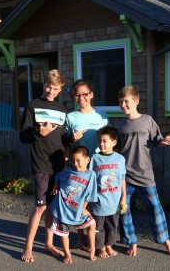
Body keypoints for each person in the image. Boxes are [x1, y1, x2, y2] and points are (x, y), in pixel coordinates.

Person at [115, 85, 170, 257]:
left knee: (155, 209)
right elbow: (116, 151)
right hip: (125, 176)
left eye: (126, 101)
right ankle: (131, 242)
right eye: (120, 102)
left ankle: (166, 241)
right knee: (125, 210)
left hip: (145, 175)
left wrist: (165, 141)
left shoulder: (148, 120)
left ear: (136, 101)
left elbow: (157, 140)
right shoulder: (119, 125)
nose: (123, 105)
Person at [20, 69, 67, 263]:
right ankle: (28, 247)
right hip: (40, 165)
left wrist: (72, 140)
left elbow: (62, 139)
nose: (51, 91)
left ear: (60, 89)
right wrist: (40, 133)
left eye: (55, 88)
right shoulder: (32, 106)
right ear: (44, 85)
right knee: (40, 207)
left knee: (52, 208)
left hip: (58, 166)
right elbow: (23, 136)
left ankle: (48, 244)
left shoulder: (62, 110)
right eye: (48, 86)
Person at [65, 79, 108, 248]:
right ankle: (81, 239)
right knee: (79, 203)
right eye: (77, 95)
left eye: (84, 94)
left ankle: (97, 241)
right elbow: (67, 144)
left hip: (98, 167)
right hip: (79, 168)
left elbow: (107, 140)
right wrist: (70, 141)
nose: (81, 97)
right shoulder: (70, 117)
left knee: (97, 204)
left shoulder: (102, 115)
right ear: (74, 97)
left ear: (91, 95)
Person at [49, 146, 97, 264]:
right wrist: (55, 186)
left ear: (87, 160)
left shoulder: (91, 175)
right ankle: (67, 253)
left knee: (92, 223)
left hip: (79, 208)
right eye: (73, 160)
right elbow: (57, 176)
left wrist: (84, 208)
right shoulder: (67, 171)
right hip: (63, 207)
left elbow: (90, 194)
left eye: (78, 160)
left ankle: (92, 248)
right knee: (64, 232)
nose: (75, 164)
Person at [88, 125, 126, 258]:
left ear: (114, 142)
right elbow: (90, 178)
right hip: (98, 202)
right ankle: (101, 247)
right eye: (100, 141)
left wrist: (124, 198)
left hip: (114, 202)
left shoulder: (120, 159)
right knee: (98, 227)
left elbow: (122, 179)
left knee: (113, 226)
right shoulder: (94, 158)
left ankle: (109, 244)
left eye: (105, 141)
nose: (101, 144)